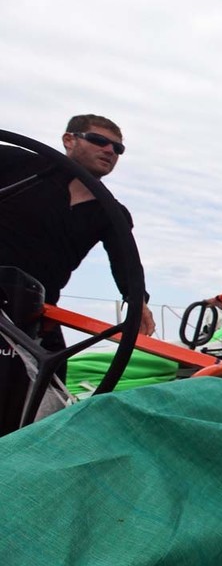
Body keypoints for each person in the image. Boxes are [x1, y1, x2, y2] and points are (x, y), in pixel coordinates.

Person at [0, 114, 156, 435]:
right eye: (99, 140)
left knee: (53, 377)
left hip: (36, 307)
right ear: (69, 140)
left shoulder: (110, 210)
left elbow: (126, 261)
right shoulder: (18, 163)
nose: (110, 150)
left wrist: (137, 301)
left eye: (118, 148)